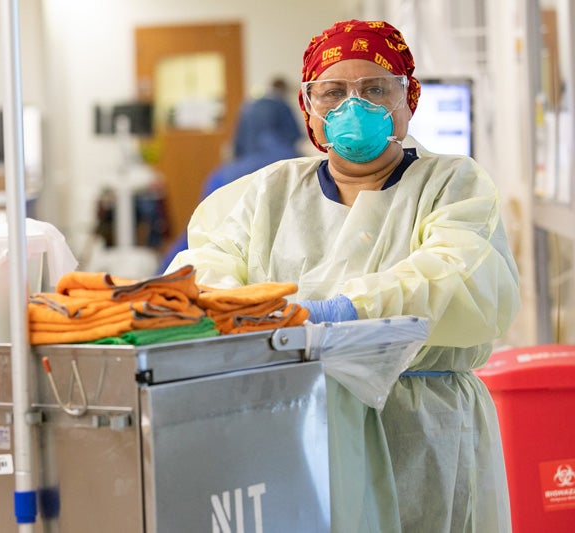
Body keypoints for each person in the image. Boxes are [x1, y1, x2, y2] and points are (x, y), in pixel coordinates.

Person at [167, 19, 520, 533]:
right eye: (332, 91)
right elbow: (204, 278)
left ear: (407, 97)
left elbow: (461, 278)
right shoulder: (261, 196)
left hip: (419, 430)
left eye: (374, 88)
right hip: (295, 422)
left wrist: (344, 314)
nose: (353, 106)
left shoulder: (451, 184)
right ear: (310, 107)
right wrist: (232, 312)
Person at [158, 78, 304, 271]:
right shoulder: (304, 169)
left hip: (229, 280)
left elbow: (194, 240)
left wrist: (157, 279)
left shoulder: (223, 176)